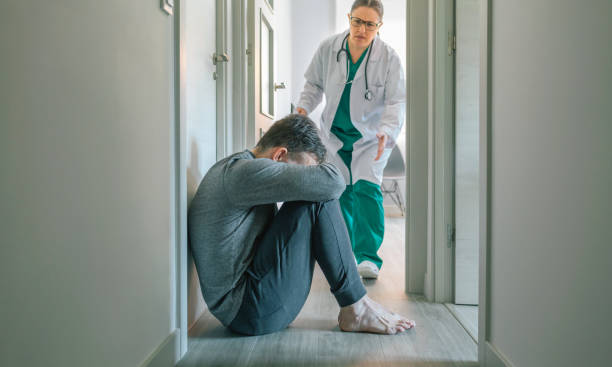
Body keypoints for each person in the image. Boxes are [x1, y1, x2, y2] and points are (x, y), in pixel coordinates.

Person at [188, 114, 414, 336]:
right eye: (302, 168)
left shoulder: (239, 168)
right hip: (249, 311)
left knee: (316, 191)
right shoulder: (244, 173)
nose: (302, 176)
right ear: (279, 155)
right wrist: (314, 177)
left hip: (249, 305)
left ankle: (358, 302)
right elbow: (333, 182)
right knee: (318, 196)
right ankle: (356, 306)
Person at [296, 0, 405, 279]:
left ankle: (368, 257)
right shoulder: (329, 48)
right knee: (340, 191)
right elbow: (314, 84)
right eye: (357, 21)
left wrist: (387, 130)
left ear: (378, 26)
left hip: (370, 138)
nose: (362, 29)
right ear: (349, 18)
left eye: (370, 24)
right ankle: (343, 254)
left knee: (367, 190)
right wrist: (302, 109)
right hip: (333, 135)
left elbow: (395, 101)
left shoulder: (389, 58)